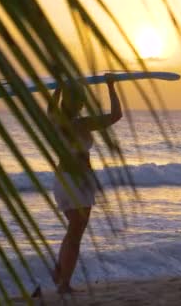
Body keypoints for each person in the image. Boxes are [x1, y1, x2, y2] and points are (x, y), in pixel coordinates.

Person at [47, 76, 122, 294]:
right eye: (79, 100)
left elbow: (51, 109)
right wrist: (111, 86)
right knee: (75, 233)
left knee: (73, 231)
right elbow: (116, 116)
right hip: (78, 181)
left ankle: (60, 273)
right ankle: (63, 283)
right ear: (77, 104)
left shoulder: (55, 120)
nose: (81, 104)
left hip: (62, 180)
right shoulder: (81, 123)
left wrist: (58, 88)